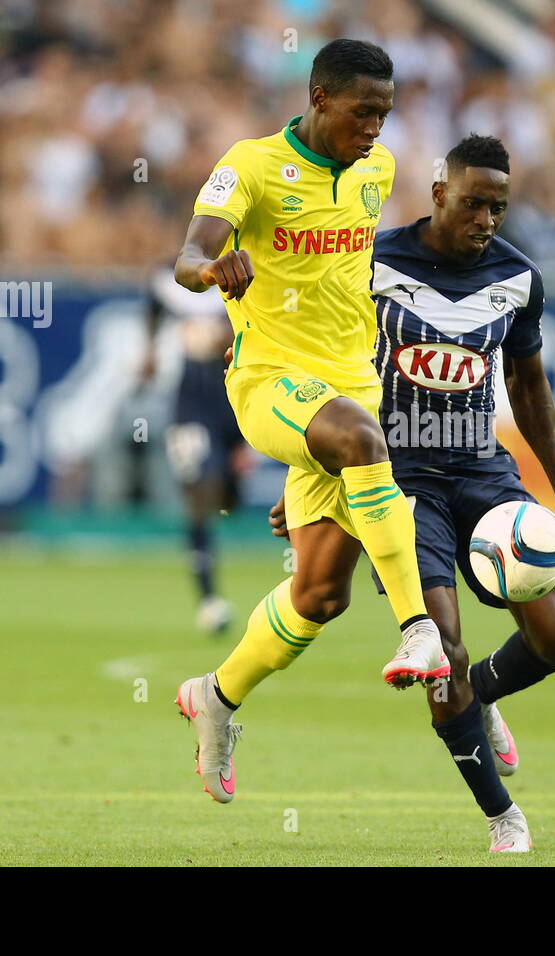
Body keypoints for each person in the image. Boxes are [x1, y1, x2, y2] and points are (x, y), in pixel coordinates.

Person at [269, 135, 555, 851]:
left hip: (484, 471)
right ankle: (502, 817)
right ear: (438, 195)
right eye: (473, 202)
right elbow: (324, 368)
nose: (486, 218)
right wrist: (315, 476)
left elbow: (528, 386)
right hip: (399, 481)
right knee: (440, 653)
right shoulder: (373, 262)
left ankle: (481, 700)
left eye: (498, 207)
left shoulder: (518, 280)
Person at [171, 39, 448, 806]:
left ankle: (215, 697)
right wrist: (211, 269)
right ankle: (420, 632)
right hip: (269, 384)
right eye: (363, 112)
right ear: (320, 97)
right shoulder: (253, 165)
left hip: (351, 391)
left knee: (321, 595)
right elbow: (186, 256)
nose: (376, 129)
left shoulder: (378, 171)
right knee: (365, 446)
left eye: (385, 115)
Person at [141, 267, 245, 634]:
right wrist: (149, 351)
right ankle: (208, 598)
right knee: (200, 491)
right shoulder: (177, 282)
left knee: (228, 498)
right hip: (191, 400)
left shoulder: (245, 268)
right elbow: (154, 302)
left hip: (235, 391)